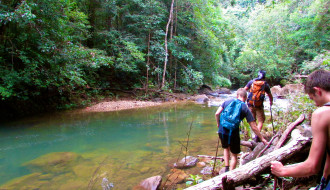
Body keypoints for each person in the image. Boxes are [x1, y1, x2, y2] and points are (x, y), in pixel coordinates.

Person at [271, 69, 330, 189]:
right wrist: (324, 179)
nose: (315, 104)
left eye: (312, 99)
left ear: (317, 91)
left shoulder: (322, 113)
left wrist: (283, 171)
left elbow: (312, 167)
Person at [215, 88, 269, 172]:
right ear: (246, 97)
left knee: (226, 148)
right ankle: (230, 174)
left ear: (237, 95)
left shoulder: (227, 101)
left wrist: (218, 124)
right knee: (234, 155)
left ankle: (226, 167)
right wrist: (262, 138)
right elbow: (254, 126)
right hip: (233, 133)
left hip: (222, 129)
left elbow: (217, 113)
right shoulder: (245, 108)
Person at [244, 70, 273, 140]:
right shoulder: (265, 84)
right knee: (261, 121)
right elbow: (270, 95)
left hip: (250, 103)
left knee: (252, 120)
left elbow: (244, 90)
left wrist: (244, 99)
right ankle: (257, 135)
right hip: (259, 105)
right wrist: (271, 102)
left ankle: (253, 135)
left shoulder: (251, 82)